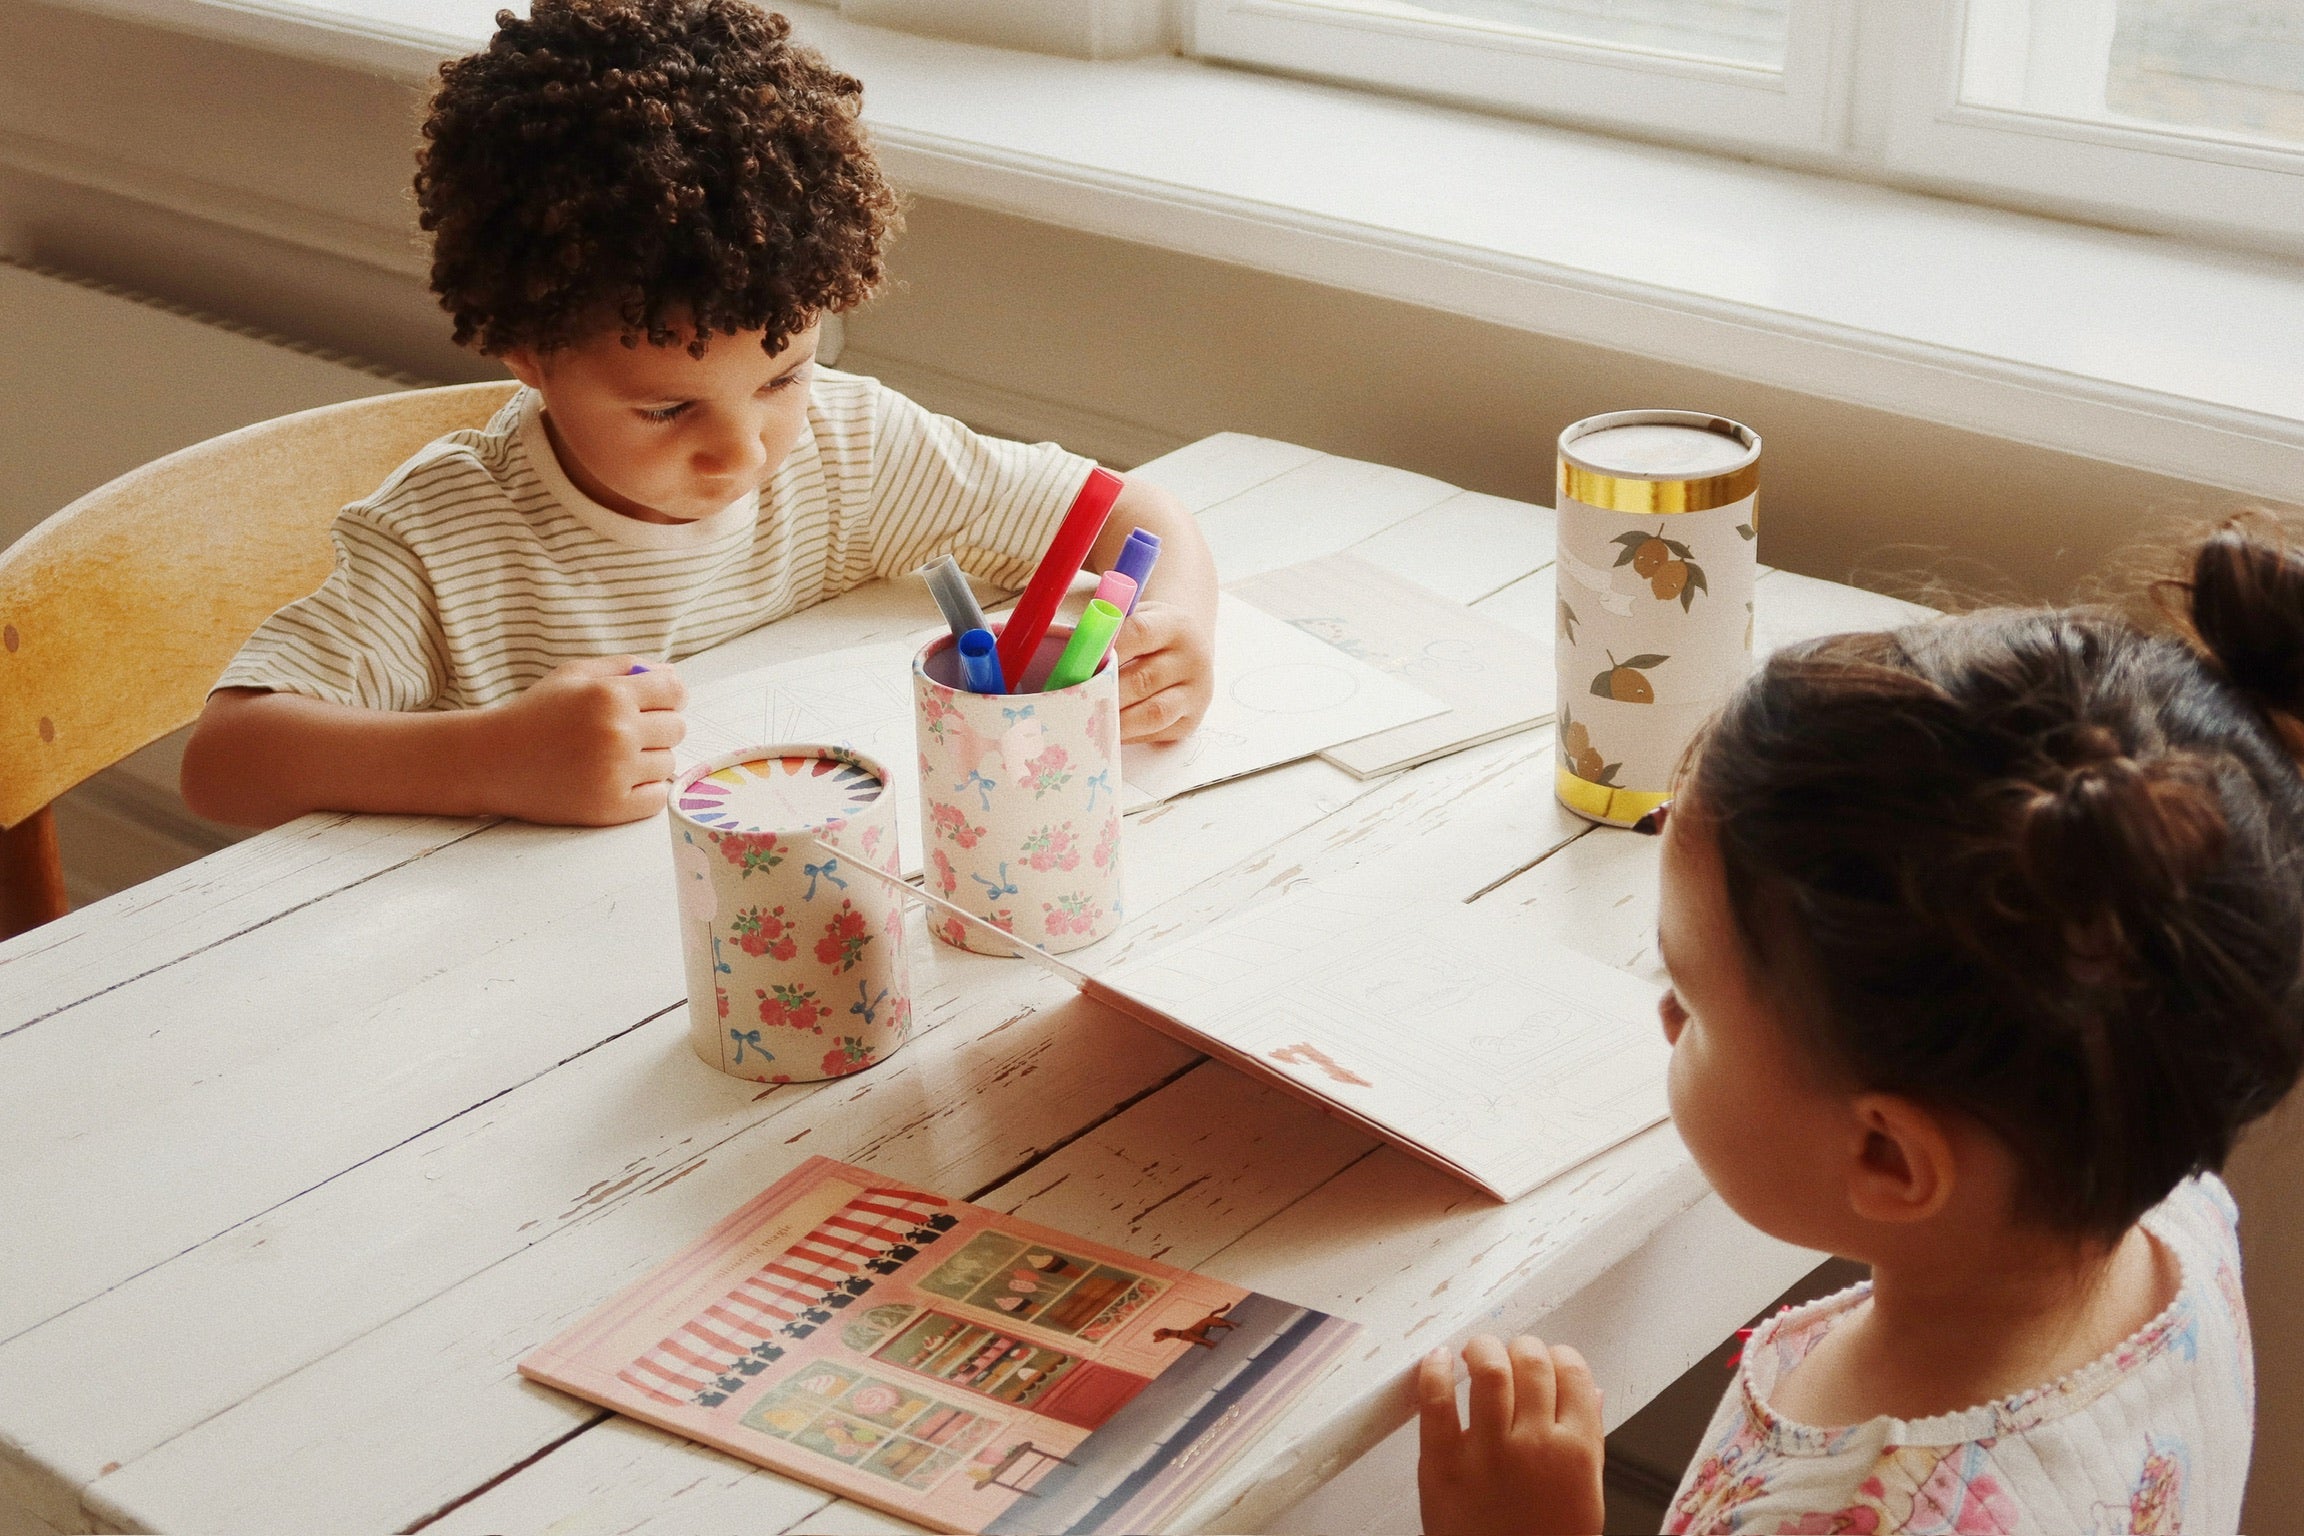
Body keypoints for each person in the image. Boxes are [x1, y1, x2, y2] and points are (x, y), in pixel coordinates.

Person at [1418, 519, 2304, 1534]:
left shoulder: (1850, 1517)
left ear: (1887, 1153)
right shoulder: (2172, 1221)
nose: (1666, 1018)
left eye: (1695, 1006)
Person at [181, 0, 1216, 829]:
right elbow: (227, 765)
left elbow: (1134, 516)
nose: (742, 448)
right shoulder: (446, 543)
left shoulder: (853, 450)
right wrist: (492, 758)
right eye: (667, 406)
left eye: (785, 375)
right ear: (530, 355)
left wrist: (1175, 625)